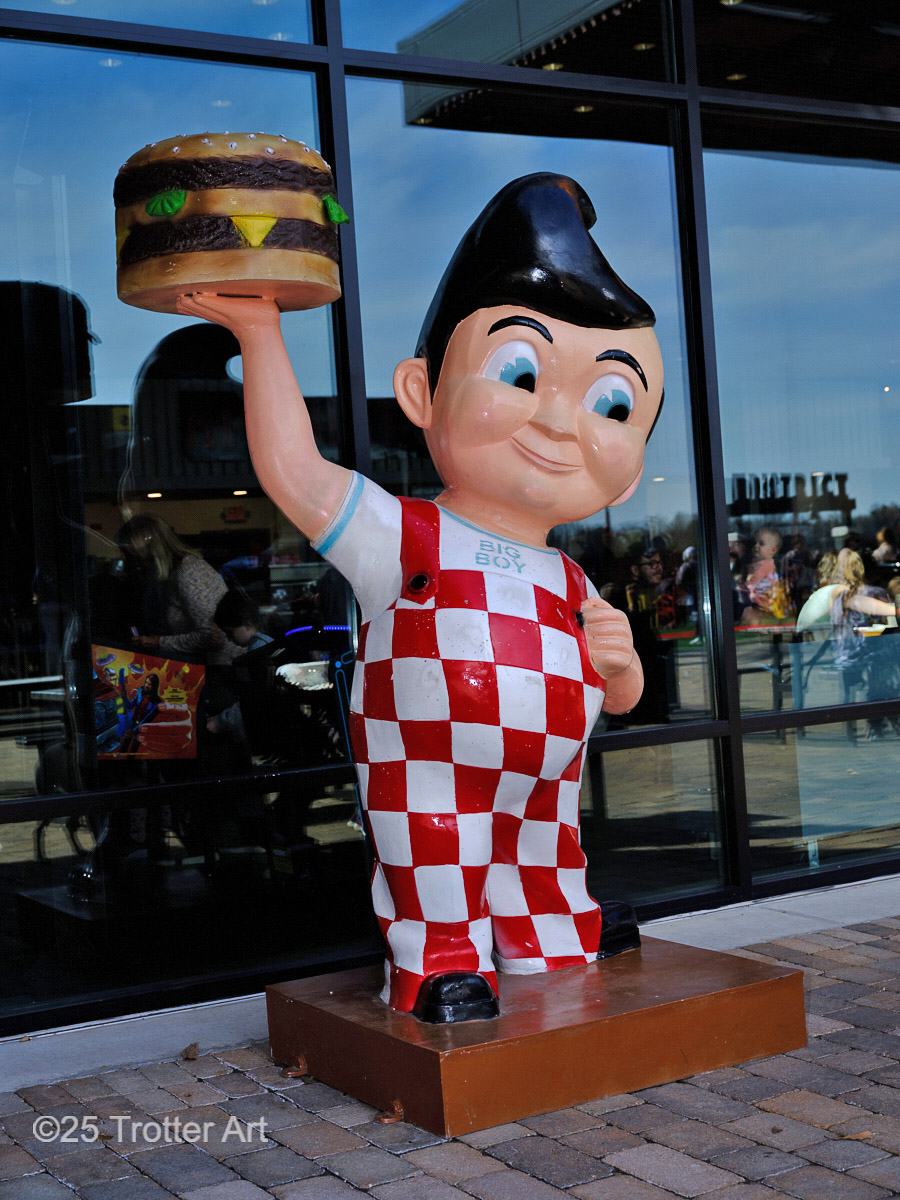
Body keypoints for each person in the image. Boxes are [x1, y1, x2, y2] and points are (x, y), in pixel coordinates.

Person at [178, 173, 664, 1022]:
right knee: (436, 850)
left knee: (546, 856)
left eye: (612, 403)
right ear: (420, 392)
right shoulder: (403, 533)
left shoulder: (570, 576)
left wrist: (620, 670)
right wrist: (260, 332)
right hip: (428, 765)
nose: (559, 423)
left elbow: (620, 695)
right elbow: (294, 470)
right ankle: (441, 959)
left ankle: (557, 934)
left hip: (549, 778)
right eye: (520, 372)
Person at [115, 513, 240, 668]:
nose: (129, 561)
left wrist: (158, 642)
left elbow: (213, 636)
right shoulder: (174, 573)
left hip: (221, 669)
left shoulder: (188, 572)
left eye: (131, 555)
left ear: (151, 551)